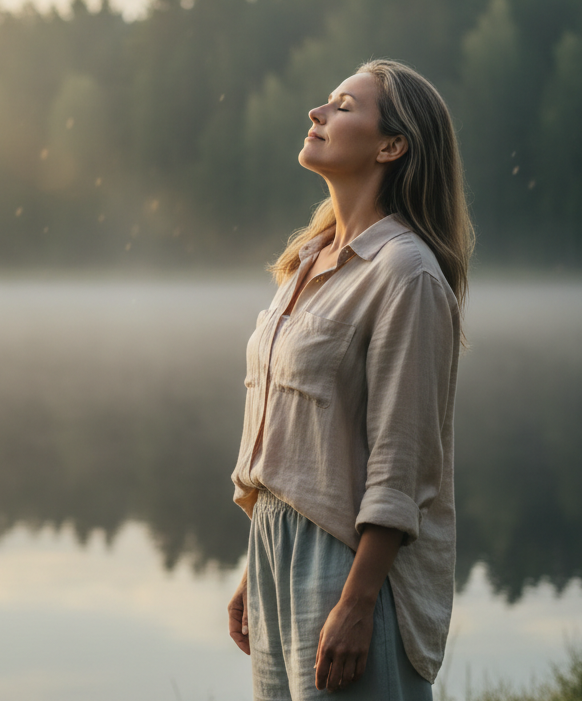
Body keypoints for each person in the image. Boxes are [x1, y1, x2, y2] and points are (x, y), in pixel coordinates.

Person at [227, 59, 474, 699]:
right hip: (277, 548)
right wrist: (257, 566)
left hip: (351, 564)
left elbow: (402, 460)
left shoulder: (406, 273)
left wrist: (358, 601)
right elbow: (294, 439)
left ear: (391, 146)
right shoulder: (307, 262)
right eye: (327, 102)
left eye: (343, 105)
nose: (318, 112)